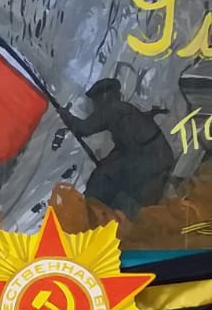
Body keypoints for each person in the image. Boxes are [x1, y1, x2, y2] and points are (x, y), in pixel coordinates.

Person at [62, 78, 174, 218]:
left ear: (103, 97)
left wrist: (64, 114)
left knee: (102, 181)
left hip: (150, 159)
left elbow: (83, 128)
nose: (95, 106)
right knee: (105, 174)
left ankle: (97, 212)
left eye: (96, 101)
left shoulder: (112, 109)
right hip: (156, 156)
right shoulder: (124, 109)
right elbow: (125, 146)